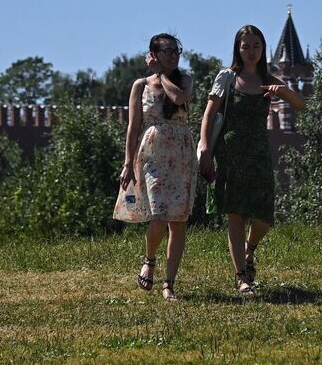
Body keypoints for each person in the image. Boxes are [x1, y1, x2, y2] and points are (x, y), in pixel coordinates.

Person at [198, 25, 305, 296]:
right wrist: (206, 148)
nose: (250, 51)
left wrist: (280, 91)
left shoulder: (268, 79)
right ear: (237, 49)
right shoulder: (228, 78)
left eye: (256, 45)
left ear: (263, 48)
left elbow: (301, 103)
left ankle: (249, 250)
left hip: (258, 153)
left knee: (264, 217)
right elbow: (209, 114)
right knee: (235, 215)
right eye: (245, 46)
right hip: (230, 152)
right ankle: (242, 276)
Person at [113, 34, 197, 302]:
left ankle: (169, 284)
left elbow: (179, 98)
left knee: (179, 221)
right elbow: (133, 126)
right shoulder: (140, 85)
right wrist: (127, 163)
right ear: (154, 53)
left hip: (181, 154)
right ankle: (149, 259)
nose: (173, 55)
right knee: (158, 215)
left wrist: (161, 74)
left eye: (176, 50)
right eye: (167, 50)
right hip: (152, 154)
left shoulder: (184, 81)